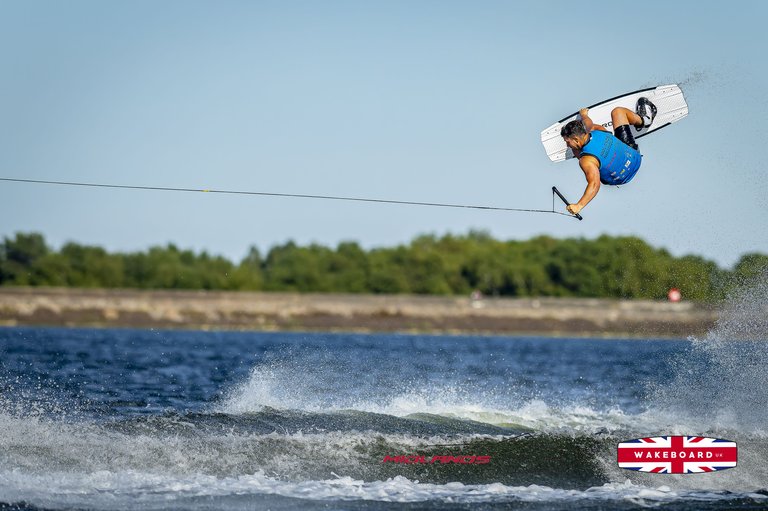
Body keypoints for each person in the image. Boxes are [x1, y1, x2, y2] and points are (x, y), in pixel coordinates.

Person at [560, 98, 657, 215]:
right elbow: (588, 123)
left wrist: (579, 206)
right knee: (618, 112)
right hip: (634, 157)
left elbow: (594, 184)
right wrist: (584, 115)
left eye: (567, 141)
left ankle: (594, 157)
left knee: (582, 155)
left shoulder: (587, 160)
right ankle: (644, 120)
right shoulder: (598, 130)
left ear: (575, 139)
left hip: (622, 177)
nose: (566, 144)